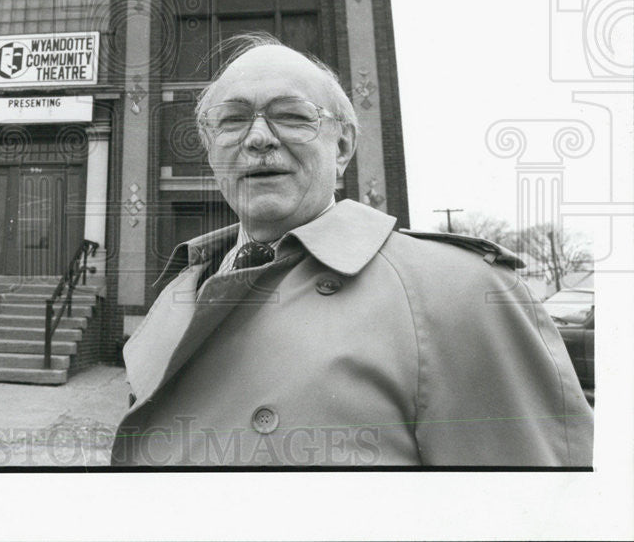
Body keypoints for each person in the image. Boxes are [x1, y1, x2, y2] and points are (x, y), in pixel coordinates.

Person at [111, 35, 593, 467]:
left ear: (342, 146)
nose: (258, 138)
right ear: (210, 145)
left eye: (292, 116)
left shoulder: (461, 292)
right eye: (232, 120)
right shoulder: (180, 288)